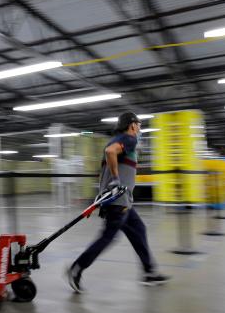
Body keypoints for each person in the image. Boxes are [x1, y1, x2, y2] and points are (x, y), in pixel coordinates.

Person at [67, 111, 170, 292]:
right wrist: (115, 179)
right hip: (118, 200)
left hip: (121, 200)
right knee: (108, 236)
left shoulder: (118, 140)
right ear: (132, 125)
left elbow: (107, 162)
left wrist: (104, 193)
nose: (139, 128)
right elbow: (110, 152)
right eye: (138, 124)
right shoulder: (129, 139)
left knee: (139, 229)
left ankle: (149, 272)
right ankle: (77, 267)